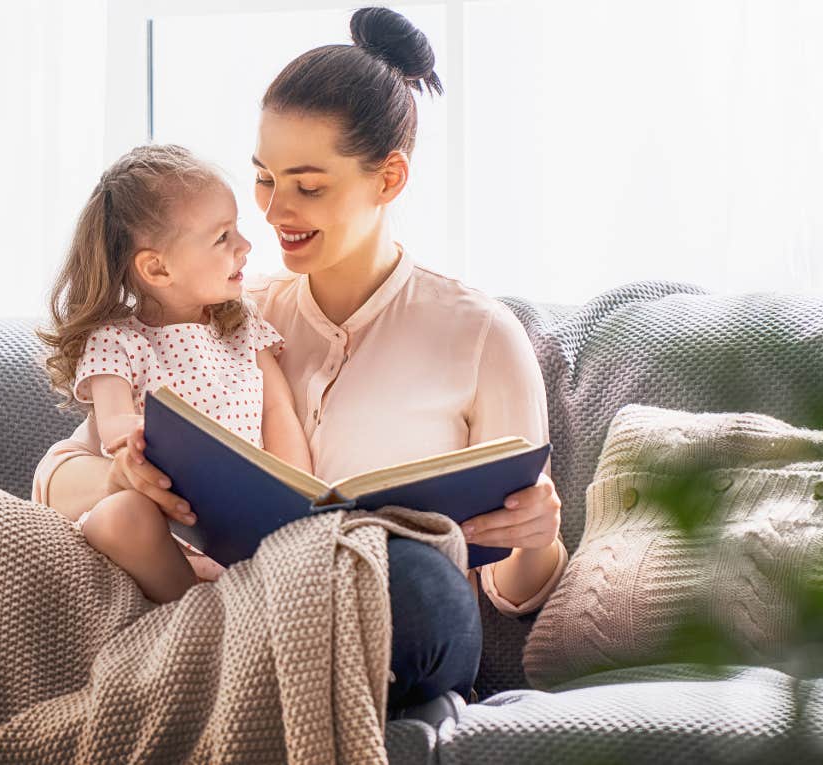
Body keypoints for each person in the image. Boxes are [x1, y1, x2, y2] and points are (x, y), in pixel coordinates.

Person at [33, 6, 568, 716]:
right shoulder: (223, 312)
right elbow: (54, 478)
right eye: (264, 177)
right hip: (234, 601)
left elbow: (513, 590)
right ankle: (235, 671)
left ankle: (249, 663)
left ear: (390, 177)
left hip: (401, 619)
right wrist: (126, 473)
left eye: (308, 185)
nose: (274, 210)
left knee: (414, 580)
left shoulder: (481, 336)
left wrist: (541, 538)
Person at [37, 143, 313, 604]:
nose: (245, 245)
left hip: (240, 524)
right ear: (157, 267)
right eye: (222, 237)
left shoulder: (242, 326)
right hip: (163, 519)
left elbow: (277, 406)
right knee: (121, 515)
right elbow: (116, 428)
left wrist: (298, 497)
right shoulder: (119, 341)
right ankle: (198, 620)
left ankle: (218, 608)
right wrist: (155, 446)